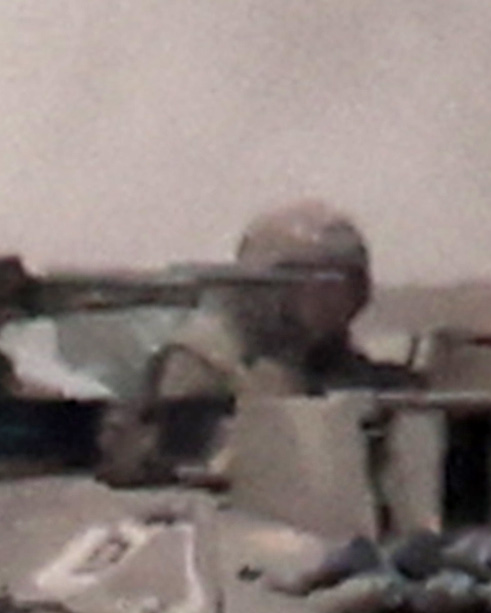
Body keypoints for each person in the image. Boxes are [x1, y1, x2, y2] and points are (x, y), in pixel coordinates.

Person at [107, 200, 397, 478]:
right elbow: (187, 461)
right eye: (317, 281)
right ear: (268, 285)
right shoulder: (206, 359)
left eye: (348, 281)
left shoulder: (340, 364)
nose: (335, 297)